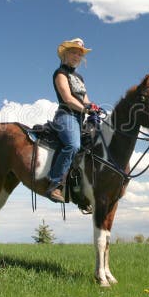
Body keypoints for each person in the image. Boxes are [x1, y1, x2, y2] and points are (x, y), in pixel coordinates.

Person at [45, 38, 99, 203]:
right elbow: (68, 99)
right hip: (65, 116)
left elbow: (86, 99)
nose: (77, 56)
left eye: (79, 54)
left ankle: (80, 192)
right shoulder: (60, 73)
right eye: (74, 52)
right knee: (73, 145)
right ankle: (54, 185)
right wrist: (85, 109)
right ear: (66, 54)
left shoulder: (80, 77)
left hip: (80, 118)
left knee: (93, 149)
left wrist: (94, 108)